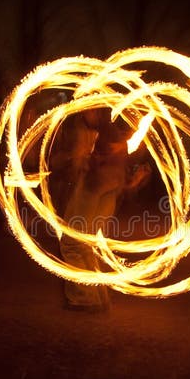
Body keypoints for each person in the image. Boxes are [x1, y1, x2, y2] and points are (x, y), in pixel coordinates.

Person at [58, 110, 151, 311]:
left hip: (94, 184)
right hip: (112, 186)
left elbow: (87, 157)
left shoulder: (96, 129)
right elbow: (129, 149)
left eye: (88, 110)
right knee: (85, 245)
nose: (84, 113)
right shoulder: (110, 130)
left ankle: (84, 298)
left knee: (71, 243)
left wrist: (80, 160)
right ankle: (98, 298)